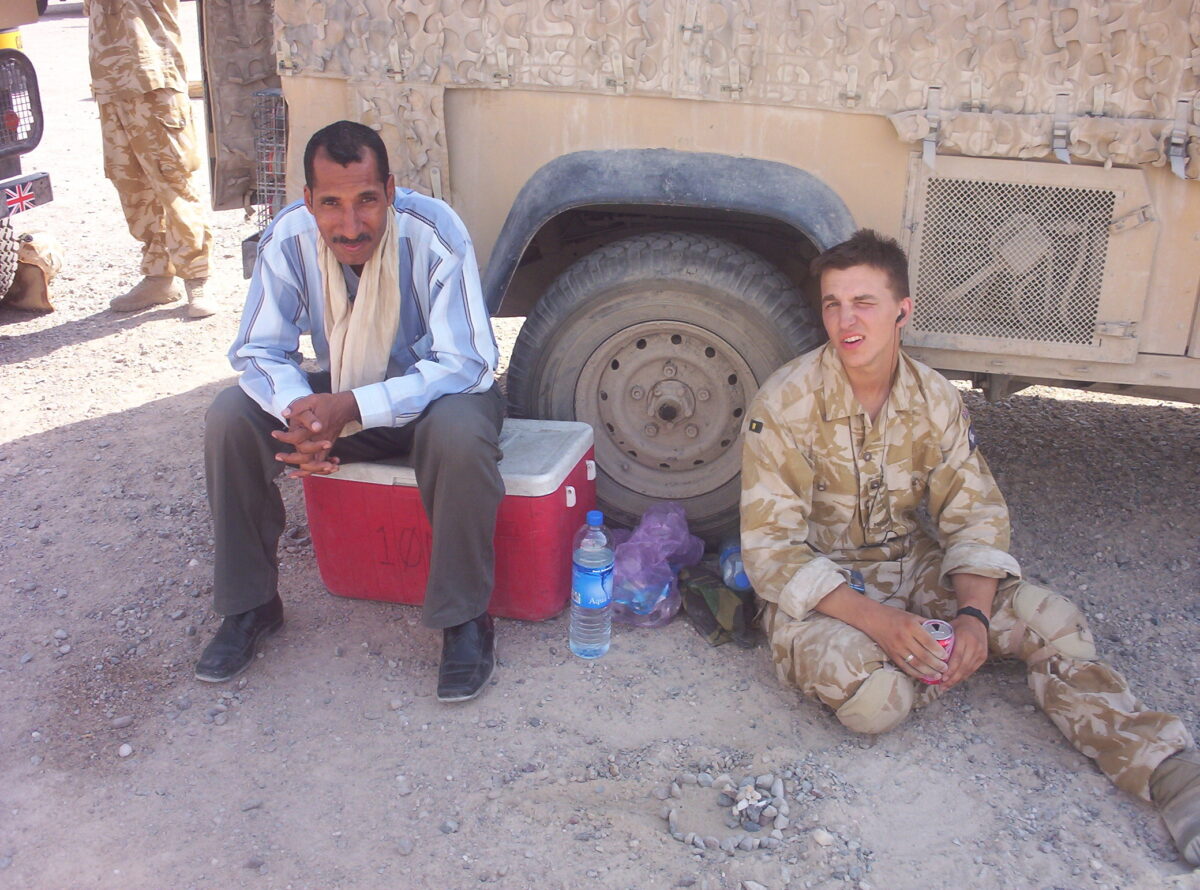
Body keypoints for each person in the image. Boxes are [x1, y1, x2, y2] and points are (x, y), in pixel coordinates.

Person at [740, 229, 1200, 865]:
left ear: (903, 310)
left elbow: (974, 513)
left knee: (1055, 624)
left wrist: (974, 617)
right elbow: (771, 552)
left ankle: (1169, 773)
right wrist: (882, 621)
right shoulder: (785, 402)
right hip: (822, 591)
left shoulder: (933, 398)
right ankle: (930, 660)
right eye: (832, 304)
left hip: (909, 561)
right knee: (875, 702)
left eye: (864, 302)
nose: (847, 321)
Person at [198, 120, 504, 703]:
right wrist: (302, 414)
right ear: (308, 200)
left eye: (367, 200)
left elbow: (466, 362)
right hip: (343, 397)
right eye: (332, 204)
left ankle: (465, 620)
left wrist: (353, 406)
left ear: (390, 190)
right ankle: (251, 605)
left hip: (433, 403)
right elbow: (260, 349)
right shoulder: (289, 238)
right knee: (231, 417)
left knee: (461, 433)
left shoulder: (433, 231)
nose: (351, 224)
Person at [86, 0, 215, 317]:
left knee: (173, 181)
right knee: (131, 185)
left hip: (154, 80)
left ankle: (196, 278)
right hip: (110, 85)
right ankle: (158, 275)